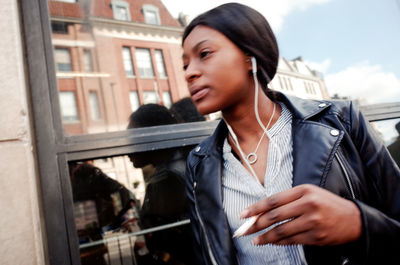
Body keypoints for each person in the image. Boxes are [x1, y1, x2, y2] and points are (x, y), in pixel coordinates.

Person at [182, 3, 400, 265]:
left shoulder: (342, 121)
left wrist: (359, 223)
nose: (189, 72)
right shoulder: (198, 165)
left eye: (204, 53)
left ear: (250, 57)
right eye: (184, 64)